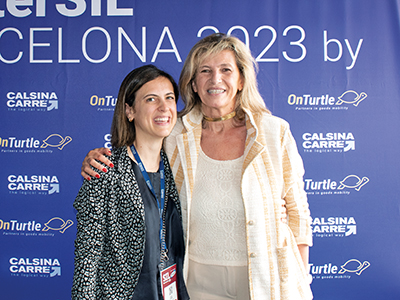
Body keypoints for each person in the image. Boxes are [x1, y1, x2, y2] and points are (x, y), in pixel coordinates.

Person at [81, 33, 313, 300]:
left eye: (226, 70)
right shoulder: (174, 132)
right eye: (205, 71)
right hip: (198, 281)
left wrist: (300, 276)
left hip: (267, 277)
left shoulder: (274, 132)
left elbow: (297, 213)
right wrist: (96, 159)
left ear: (241, 80)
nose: (216, 80)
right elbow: (137, 152)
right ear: (192, 84)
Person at [72, 65, 189, 300]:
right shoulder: (105, 170)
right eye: (151, 99)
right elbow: (87, 259)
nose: (164, 107)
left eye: (169, 98)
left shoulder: (181, 169)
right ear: (129, 111)